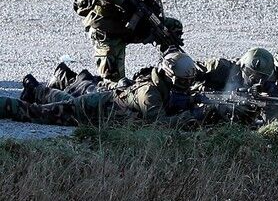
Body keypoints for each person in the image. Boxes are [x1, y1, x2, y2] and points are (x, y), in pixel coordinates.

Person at [1, 51, 203, 126]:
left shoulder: (161, 85)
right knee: (39, 114)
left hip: (104, 105)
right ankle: (5, 104)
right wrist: (191, 115)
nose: (186, 86)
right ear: (169, 76)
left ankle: (34, 88)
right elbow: (158, 125)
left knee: (63, 99)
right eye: (183, 81)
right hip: (97, 110)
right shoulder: (149, 93)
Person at [198, 47, 277, 93]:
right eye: (254, 75)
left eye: (262, 77)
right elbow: (191, 70)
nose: (258, 80)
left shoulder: (265, 86)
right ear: (243, 67)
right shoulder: (221, 68)